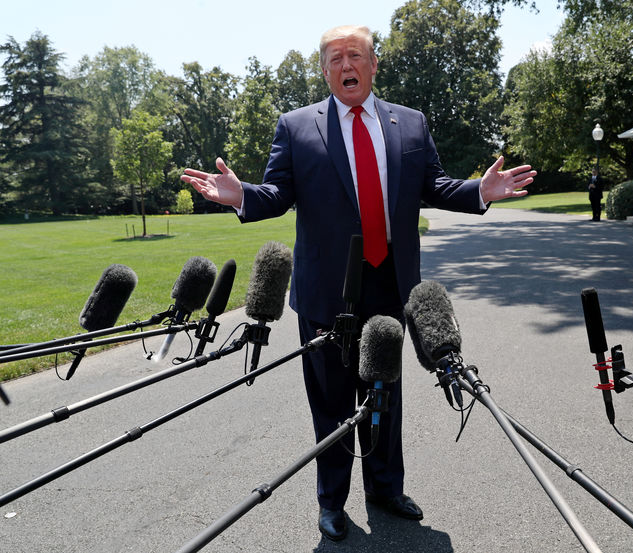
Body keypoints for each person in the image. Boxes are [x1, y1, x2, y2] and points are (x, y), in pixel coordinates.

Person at [181, 24, 535, 542]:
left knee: (384, 395)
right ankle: (332, 502)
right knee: (330, 404)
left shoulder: (409, 124)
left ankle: (387, 489)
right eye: (334, 58)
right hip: (327, 291)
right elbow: (277, 193)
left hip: (390, 286)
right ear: (324, 71)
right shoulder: (297, 126)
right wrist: (240, 196)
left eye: (355, 55)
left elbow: (433, 185)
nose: (345, 65)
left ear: (373, 64)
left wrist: (477, 190)